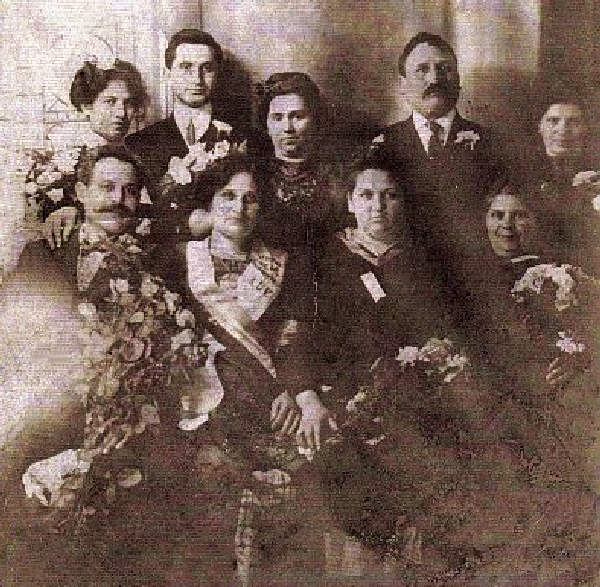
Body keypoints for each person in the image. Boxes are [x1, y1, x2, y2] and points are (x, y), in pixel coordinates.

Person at [371, 32, 506, 332]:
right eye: (422, 70)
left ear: (458, 81)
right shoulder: (380, 147)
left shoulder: (493, 145)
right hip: (402, 295)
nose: (434, 79)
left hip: (477, 297)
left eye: (444, 69)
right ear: (403, 85)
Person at [125, 29, 247, 239]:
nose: (197, 79)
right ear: (168, 75)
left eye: (206, 69)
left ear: (217, 74)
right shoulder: (139, 144)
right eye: (186, 67)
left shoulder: (244, 138)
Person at [28, 59, 148, 246]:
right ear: (87, 106)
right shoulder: (60, 164)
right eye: (110, 102)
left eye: (128, 103)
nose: (121, 113)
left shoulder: (141, 157)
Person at [255, 71, 347, 251]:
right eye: (277, 118)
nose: (287, 128)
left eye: (297, 116)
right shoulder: (253, 175)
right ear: (266, 124)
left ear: (314, 120)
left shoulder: (336, 177)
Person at [519, 96, 600, 272]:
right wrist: (575, 193)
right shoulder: (523, 175)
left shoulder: (596, 171)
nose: (563, 129)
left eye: (573, 122)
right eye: (553, 121)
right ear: (540, 127)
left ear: (585, 128)